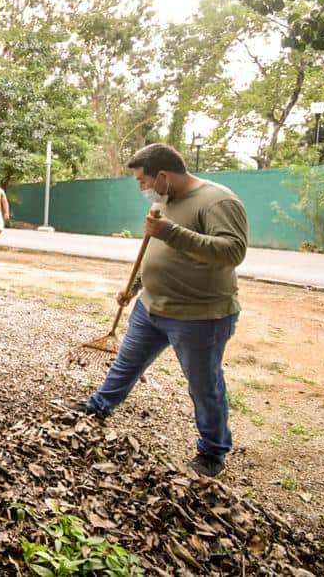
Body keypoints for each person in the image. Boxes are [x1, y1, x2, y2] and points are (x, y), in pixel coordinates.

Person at [69, 143, 247, 478]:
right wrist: (134, 286)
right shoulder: (166, 200)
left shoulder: (218, 201)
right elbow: (154, 250)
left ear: (162, 176)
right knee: (126, 362)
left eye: (142, 181)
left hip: (199, 315)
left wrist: (171, 232)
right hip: (151, 305)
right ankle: (98, 407)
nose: (141, 189)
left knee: (204, 383)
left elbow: (233, 251)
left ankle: (212, 451)